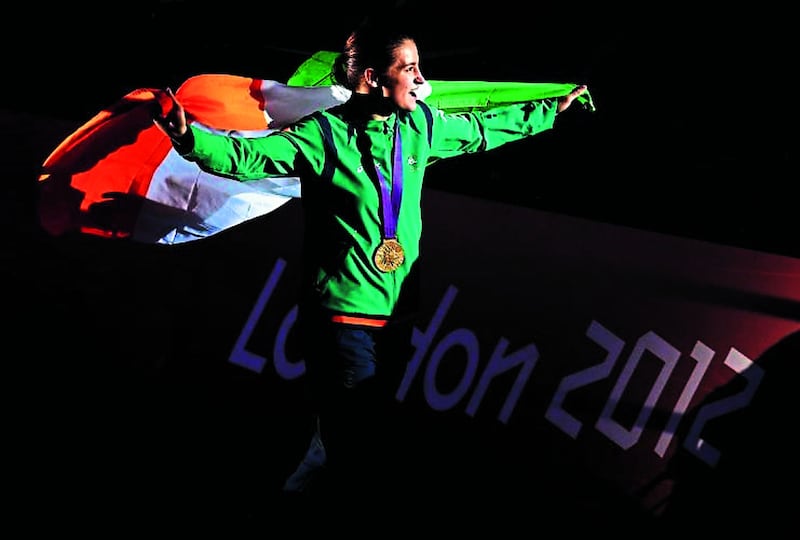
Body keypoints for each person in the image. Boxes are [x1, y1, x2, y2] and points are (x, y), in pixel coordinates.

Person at [153, 20, 588, 505]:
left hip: (398, 314)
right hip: (341, 317)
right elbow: (248, 156)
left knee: (356, 428)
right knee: (362, 439)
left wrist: (549, 111)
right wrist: (191, 140)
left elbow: (482, 130)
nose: (422, 80)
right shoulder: (325, 135)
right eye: (409, 68)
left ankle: (309, 476)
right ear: (373, 80)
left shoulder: (421, 126)